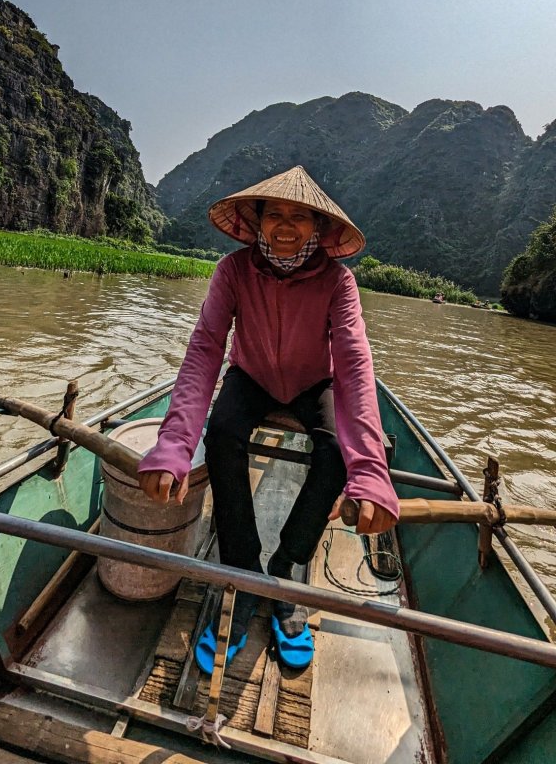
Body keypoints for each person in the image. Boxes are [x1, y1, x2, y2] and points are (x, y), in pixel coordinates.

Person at [138, 165, 399, 672]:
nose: (284, 226)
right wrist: (173, 445)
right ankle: (243, 568)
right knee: (221, 435)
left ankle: (287, 566)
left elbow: (352, 364)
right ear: (255, 222)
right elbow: (205, 350)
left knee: (334, 454)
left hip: (312, 383)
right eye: (273, 214)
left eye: (299, 217)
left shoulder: (338, 282)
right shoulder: (232, 271)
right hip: (251, 376)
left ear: (318, 229)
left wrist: (370, 469)